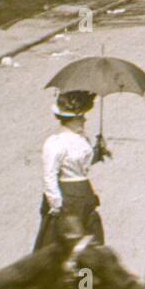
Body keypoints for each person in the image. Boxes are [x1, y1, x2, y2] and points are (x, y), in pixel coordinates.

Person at [34, 89, 107, 251]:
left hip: (85, 193)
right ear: (71, 120)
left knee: (89, 243)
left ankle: (86, 277)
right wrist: (56, 204)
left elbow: (81, 165)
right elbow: (50, 175)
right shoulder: (55, 143)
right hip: (66, 196)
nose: (84, 120)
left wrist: (98, 152)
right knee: (62, 244)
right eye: (81, 117)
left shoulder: (82, 140)